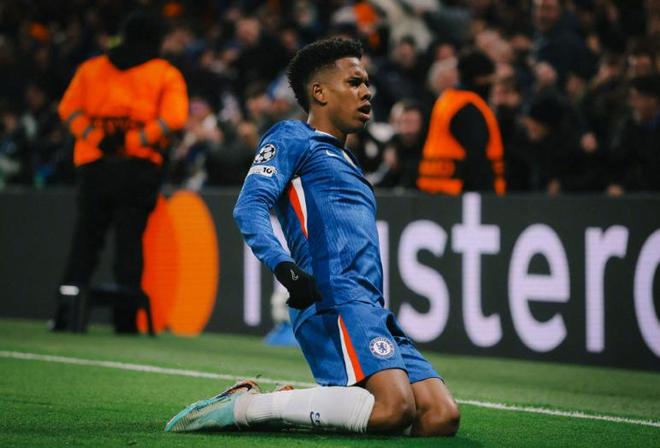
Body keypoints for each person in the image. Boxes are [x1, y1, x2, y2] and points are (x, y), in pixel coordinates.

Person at [165, 38, 460, 436]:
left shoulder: (347, 159)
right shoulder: (292, 137)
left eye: (366, 82)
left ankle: (317, 404)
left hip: (371, 306)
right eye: (354, 82)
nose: (366, 91)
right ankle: (248, 407)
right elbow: (249, 207)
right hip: (331, 299)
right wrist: (285, 269)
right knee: (393, 408)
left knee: (440, 416)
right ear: (319, 92)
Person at [50, 11, 188, 332]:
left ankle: (65, 315)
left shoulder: (91, 69)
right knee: (130, 242)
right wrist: (133, 141)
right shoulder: (164, 72)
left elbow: (68, 109)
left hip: (94, 166)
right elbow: (174, 118)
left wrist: (97, 138)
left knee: (85, 240)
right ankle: (125, 321)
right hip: (139, 168)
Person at [417, 49, 506, 195]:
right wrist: (487, 194)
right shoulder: (468, 107)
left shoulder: (446, 100)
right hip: (461, 194)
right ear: (480, 78)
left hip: (438, 188)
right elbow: (477, 157)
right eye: (490, 78)